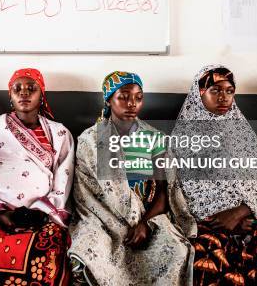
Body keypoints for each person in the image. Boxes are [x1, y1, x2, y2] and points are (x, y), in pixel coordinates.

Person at [171, 65, 257, 285]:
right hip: (206, 222)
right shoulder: (183, 136)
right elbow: (183, 188)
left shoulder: (242, 130)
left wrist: (240, 212)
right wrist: (216, 216)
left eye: (229, 91)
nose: (224, 97)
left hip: (248, 216)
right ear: (199, 93)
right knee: (209, 265)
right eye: (215, 90)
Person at [68, 71, 196, 286]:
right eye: (124, 96)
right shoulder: (91, 139)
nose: (132, 103)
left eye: (138, 97)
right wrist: (118, 224)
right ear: (109, 100)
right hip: (102, 220)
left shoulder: (154, 139)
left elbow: (164, 191)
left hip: (148, 216)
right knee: (88, 251)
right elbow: (88, 195)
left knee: (176, 250)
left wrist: (145, 223)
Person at [0, 68, 74, 286]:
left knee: (46, 254)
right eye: (17, 88)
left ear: (42, 95)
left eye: (31, 88)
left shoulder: (59, 133)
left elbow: (63, 177)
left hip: (42, 214)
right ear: (10, 95)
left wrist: (43, 211)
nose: (24, 93)